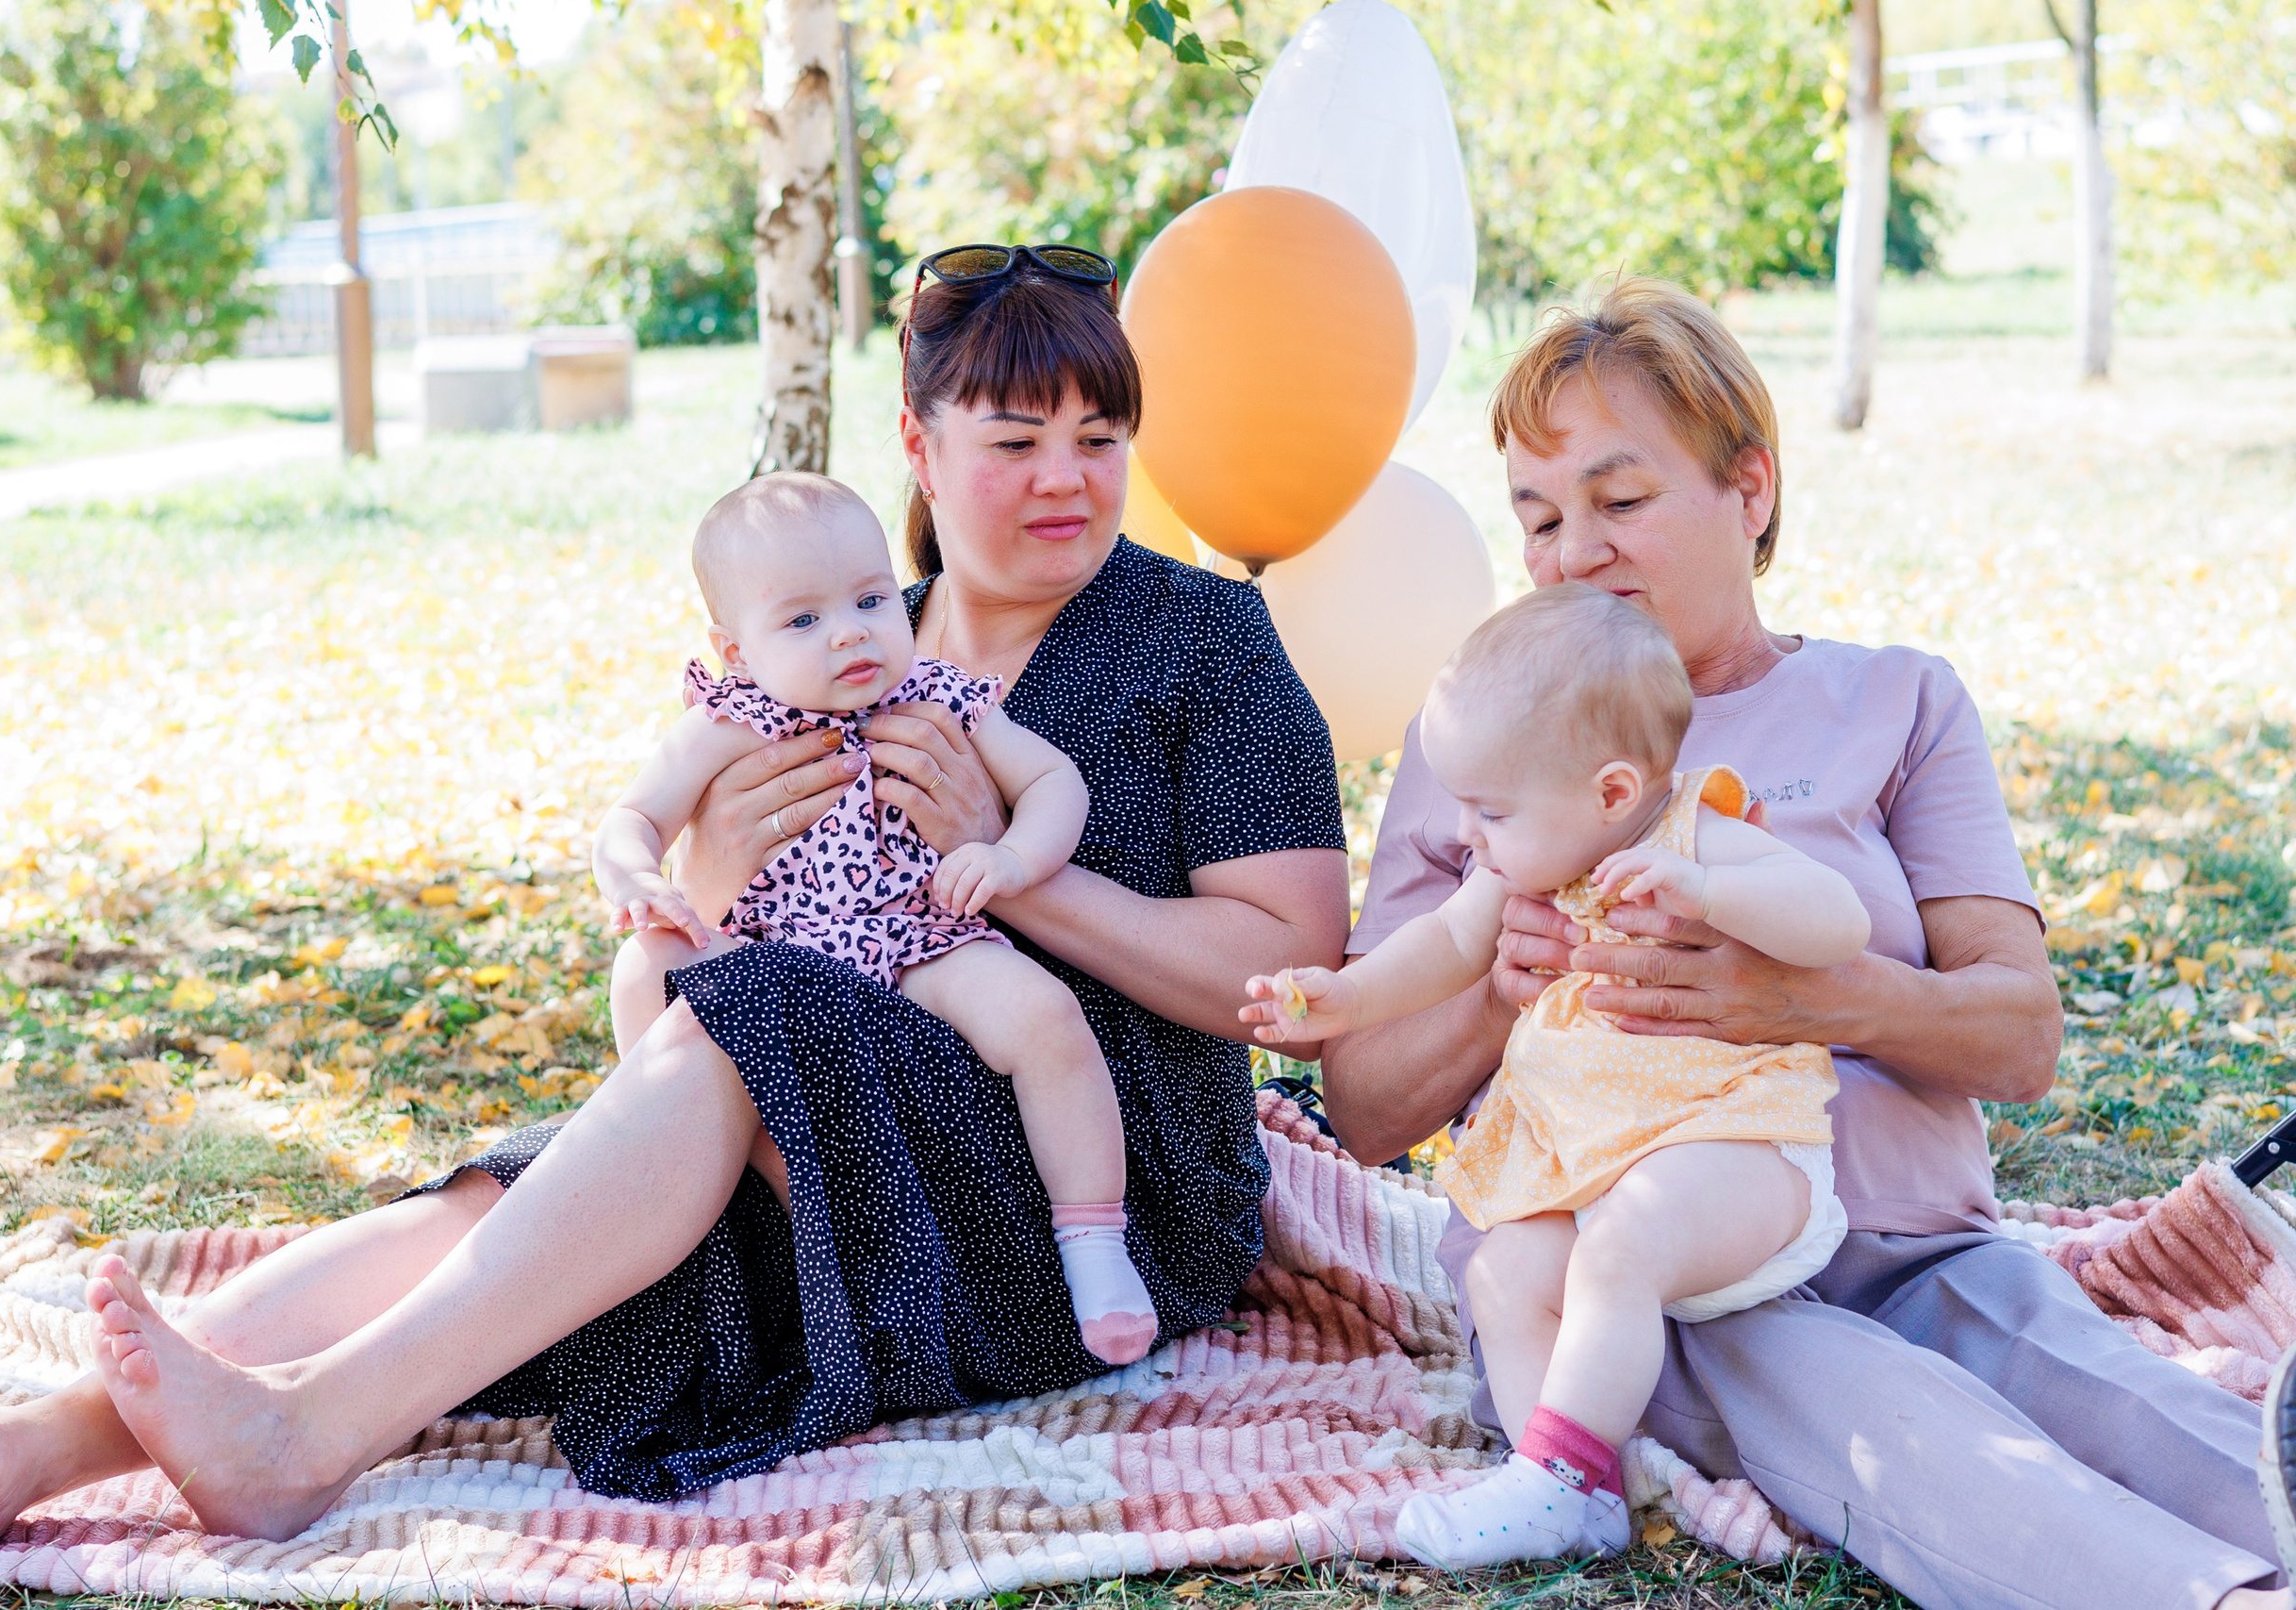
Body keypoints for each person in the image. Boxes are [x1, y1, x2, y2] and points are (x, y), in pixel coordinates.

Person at [0, 241, 1348, 1547]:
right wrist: (703, 878)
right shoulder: (839, 633)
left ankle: (303, 1435)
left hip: (1091, 1204)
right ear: (918, 440)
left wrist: (1014, 868)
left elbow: (1286, 973)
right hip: (809, 1132)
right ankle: (53, 1439)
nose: (1065, 478)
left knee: (750, 1026)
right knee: (523, 1198)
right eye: (1016, 439)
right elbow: (688, 950)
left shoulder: (1204, 641)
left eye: (1101, 438)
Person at [1317, 275, 2292, 1610]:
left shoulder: (1896, 702)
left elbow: (2018, 1036)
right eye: (1539, 518)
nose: (1573, 553)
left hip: (1920, 1244)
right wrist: (1497, 990)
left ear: (1751, 488)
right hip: (1632, 1282)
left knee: (2098, 1383)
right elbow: (1367, 1109)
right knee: (1894, 1420)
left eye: (1620, 499)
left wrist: (1807, 998)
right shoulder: (1482, 743)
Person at [1244, 581, 1868, 1567]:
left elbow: (1838, 920)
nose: (1466, 832)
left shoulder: (1694, 832)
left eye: (1490, 809)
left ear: (1611, 793)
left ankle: (1552, 1479)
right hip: (1583, 1159)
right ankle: (1579, 1493)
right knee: (1507, 1272)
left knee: (1621, 1246)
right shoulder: (1520, 870)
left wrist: (1711, 891)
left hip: (1734, 1145)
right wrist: (1343, 1001)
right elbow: (1442, 945)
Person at [593, 470, 1155, 1364]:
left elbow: (1055, 780)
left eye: (870, 598)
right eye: (803, 619)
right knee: (645, 968)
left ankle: (1092, 1241)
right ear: (735, 650)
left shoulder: (935, 693)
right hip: (780, 960)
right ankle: (668, 1159)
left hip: (923, 937)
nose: (851, 631)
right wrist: (636, 877)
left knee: (1047, 1016)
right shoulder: (729, 722)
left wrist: (1011, 858)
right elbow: (634, 816)